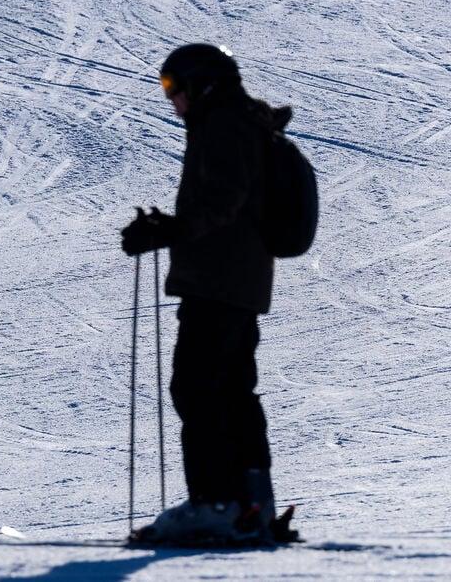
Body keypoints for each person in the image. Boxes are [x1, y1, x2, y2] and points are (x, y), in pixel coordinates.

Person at [121, 43, 290, 544]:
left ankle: (216, 504)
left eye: (174, 86)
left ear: (203, 84)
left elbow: (223, 200)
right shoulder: (244, 124)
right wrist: (168, 227)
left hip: (218, 280)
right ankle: (251, 504)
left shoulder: (222, 125)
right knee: (233, 393)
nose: (170, 97)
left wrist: (167, 230)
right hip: (241, 281)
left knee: (196, 389)